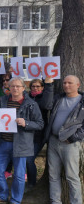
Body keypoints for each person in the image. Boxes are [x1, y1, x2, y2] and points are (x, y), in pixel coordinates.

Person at [0, 77, 44, 204]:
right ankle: (2, 195)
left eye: (18, 86)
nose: (15, 88)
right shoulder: (3, 100)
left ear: (24, 88)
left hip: (21, 144)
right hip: (3, 142)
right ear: (9, 88)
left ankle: (15, 200)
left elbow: (40, 124)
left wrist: (26, 123)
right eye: (12, 86)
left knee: (19, 175)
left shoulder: (31, 104)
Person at [45, 75, 83, 204]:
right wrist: (49, 85)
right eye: (65, 83)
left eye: (70, 83)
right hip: (53, 141)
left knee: (72, 177)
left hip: (70, 145)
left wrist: (73, 138)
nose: (66, 85)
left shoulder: (82, 102)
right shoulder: (58, 98)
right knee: (53, 175)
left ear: (78, 85)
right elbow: (46, 105)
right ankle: (55, 202)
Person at [26, 77, 53, 189]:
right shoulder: (27, 97)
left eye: (38, 86)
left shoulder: (44, 97)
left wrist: (49, 85)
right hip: (27, 133)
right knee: (26, 159)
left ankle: (32, 182)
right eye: (33, 86)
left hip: (39, 134)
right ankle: (29, 178)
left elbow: (46, 105)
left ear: (42, 87)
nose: (35, 88)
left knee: (29, 159)